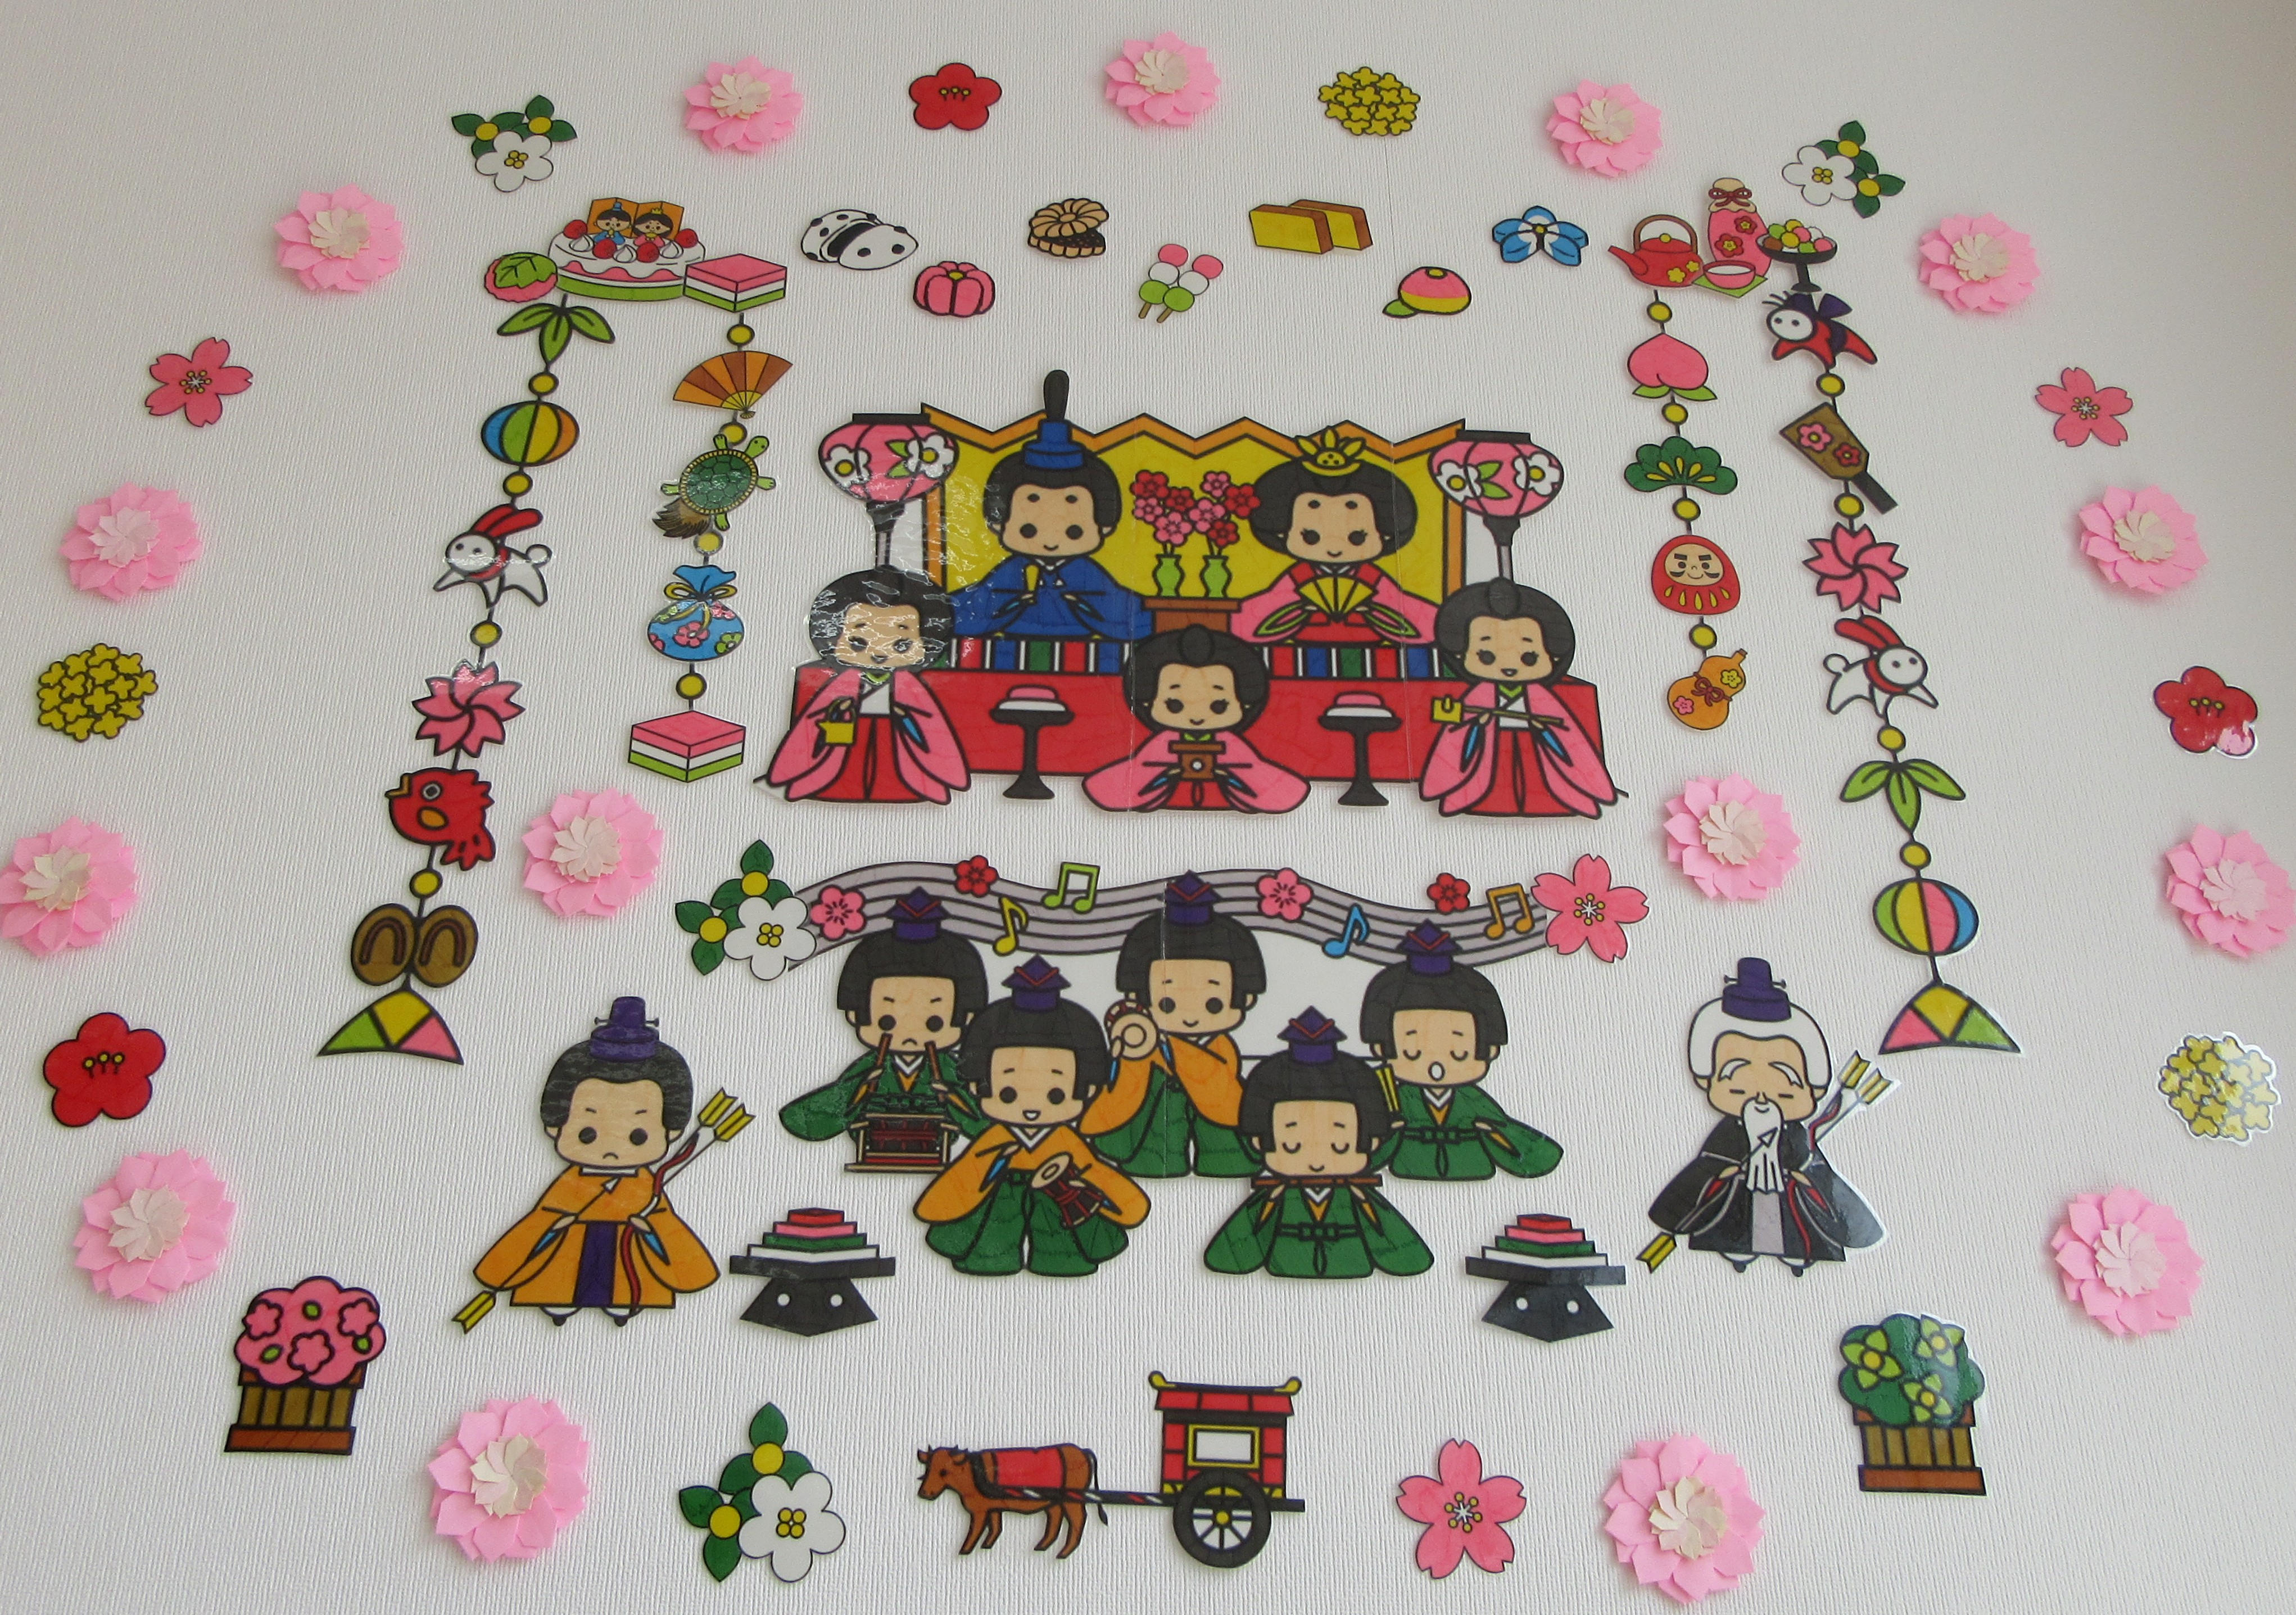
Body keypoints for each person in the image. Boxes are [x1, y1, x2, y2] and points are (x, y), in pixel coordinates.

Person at [472, 998, 719, 1324]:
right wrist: (553, 1226)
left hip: (628, 1257)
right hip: (570, 1249)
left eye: (637, 1136)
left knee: (627, 1282)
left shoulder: (646, 1187)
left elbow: (667, 1231)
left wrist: (651, 1227)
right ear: (555, 1125)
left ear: (670, 1131)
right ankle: (560, 1299)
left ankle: (623, 1302)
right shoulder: (569, 1185)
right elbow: (541, 1221)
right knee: (562, 1278)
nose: (612, 1148)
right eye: (587, 1133)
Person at [914, 957, 1150, 1276]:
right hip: (997, 1206)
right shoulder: (995, 1139)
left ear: (1087, 1088)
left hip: (1058, 1209)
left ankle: (1062, 1261)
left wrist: (1123, 1204)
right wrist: (990, 1164)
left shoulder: (1066, 1140)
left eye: (1056, 1095)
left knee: (1062, 1245)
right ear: (977, 1085)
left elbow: (1098, 1174)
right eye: (1008, 1093)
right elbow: (957, 1183)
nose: (1031, 1108)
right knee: (989, 1240)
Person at [1647, 959, 1885, 1274]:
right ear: (1709, 1081)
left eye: (1786, 1090)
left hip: (1792, 1213)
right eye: (1737, 1086)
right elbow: (1708, 1168)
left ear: (1811, 1091)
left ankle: (1797, 1255)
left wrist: (1801, 1172)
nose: (1761, 1096)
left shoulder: (1798, 1136)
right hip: (1736, 1214)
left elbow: (1818, 1174)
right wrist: (1728, 1172)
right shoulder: (1729, 1134)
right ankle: (1738, 1250)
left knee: (1798, 1234)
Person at [1203, 1010, 1432, 1280]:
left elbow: (1411, 1260)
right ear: (1259, 1141)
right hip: (1285, 1268)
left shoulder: (1360, 1197)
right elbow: (1226, 1258)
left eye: (1340, 1147)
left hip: (1353, 1266)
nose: (1316, 1162)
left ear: (1370, 1142)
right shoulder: (1274, 1196)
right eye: (1292, 1146)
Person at [778, 890, 988, 1167]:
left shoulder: (949, 1070)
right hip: (878, 1139)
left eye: (933, 1023)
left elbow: (987, 1125)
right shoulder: (869, 1068)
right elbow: (804, 1120)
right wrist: (861, 1086)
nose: (910, 1033)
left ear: (966, 1016)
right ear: (856, 1013)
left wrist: (951, 1095)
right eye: (887, 1021)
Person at [949, 372, 1151, 645]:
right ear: (998, 522)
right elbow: (971, 610)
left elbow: (1126, 615)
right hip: (1010, 647)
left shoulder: (1087, 574)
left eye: (1074, 531)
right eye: (1029, 530)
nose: (1051, 540)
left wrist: (1083, 604)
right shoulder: (1013, 571)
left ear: (1104, 526)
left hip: (1085, 650)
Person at [1082, 873, 1262, 1176]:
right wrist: (1133, 1052)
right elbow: (1124, 1089)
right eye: (1168, 1003)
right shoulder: (1146, 1042)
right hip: (1157, 1113)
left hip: (1217, 1116)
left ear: (1244, 998)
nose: (1190, 1017)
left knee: (1225, 1138)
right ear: (1138, 996)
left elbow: (1226, 1099)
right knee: (1154, 1132)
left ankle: (1222, 1163)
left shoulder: (1221, 1049)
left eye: (1213, 1004)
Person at [1361, 921, 1562, 1180]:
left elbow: (1532, 1154)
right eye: (1413, 1053)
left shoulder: (1473, 1102)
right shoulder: (1397, 1100)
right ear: (1381, 1048)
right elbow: (1364, 1153)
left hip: (1470, 1166)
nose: (1436, 1065)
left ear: (1489, 1049)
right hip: (1409, 1167)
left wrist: (1495, 1132)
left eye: (1459, 1053)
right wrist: (1389, 1130)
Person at [764, 568, 970, 803]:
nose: (879, 654)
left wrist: (905, 717)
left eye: (901, 645)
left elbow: (931, 731)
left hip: (896, 741)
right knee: (843, 772)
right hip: (847, 741)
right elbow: (810, 728)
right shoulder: (833, 684)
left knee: (894, 772)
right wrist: (836, 715)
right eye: (858, 643)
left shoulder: (916, 688)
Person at [1419, 578, 1616, 818]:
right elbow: (1459, 737)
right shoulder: (1476, 698)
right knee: (1494, 787)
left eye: (1529, 657)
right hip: (1492, 750)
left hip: (1535, 750)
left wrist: (1544, 730)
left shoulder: (1546, 702)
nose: (1509, 665)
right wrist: (1477, 725)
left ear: (1552, 656)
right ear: (1461, 654)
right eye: (1487, 656)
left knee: (1538, 789)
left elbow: (1569, 740)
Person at [1230, 428, 1437, 647]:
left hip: (1373, 653)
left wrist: (1373, 609)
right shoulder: (1299, 577)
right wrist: (1299, 607)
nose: (1334, 548)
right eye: (1311, 537)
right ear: (1282, 532)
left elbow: (1418, 621)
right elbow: (1252, 621)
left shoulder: (1371, 578)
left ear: (1385, 534)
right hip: (1301, 652)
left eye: (1357, 537)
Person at [1083, 626, 1308, 813]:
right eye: (1174, 705)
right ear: (1147, 702)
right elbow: (1107, 790)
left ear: (1245, 703)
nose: (1198, 716)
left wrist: (1230, 772)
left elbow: (1283, 793)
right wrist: (1164, 771)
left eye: (1219, 706)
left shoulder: (1233, 747)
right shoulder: (1161, 745)